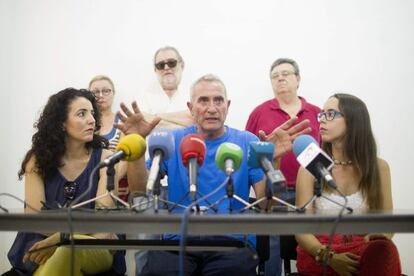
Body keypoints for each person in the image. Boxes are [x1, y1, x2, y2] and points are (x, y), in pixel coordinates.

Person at [115, 74, 311, 275]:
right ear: (191, 108)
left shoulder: (247, 141)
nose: (211, 108)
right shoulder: (173, 140)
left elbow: (265, 204)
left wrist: (273, 162)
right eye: (203, 101)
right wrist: (136, 145)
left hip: (232, 244)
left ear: (227, 105)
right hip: (178, 243)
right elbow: (140, 189)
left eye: (218, 100)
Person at [7, 88, 126, 276]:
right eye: (81, 114)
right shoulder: (37, 160)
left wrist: (62, 238)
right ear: (61, 123)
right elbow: (35, 222)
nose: (92, 120)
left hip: (95, 248)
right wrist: (66, 236)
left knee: (66, 250)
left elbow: (103, 225)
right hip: (41, 246)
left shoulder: (107, 159)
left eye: (92, 113)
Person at [295, 93, 401, 275]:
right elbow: (301, 230)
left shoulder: (379, 167)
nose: (321, 120)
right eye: (321, 114)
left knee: (385, 251)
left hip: (363, 250)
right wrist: (329, 258)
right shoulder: (310, 168)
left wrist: (381, 235)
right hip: (320, 252)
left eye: (330, 114)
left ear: (353, 120)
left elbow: (387, 224)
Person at [245, 58, 321, 275]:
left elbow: (327, 152)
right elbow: (250, 151)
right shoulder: (259, 112)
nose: (280, 78)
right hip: (273, 191)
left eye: (286, 73)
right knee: (272, 244)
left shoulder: (316, 112)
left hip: (310, 192)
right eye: (275, 76)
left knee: (312, 240)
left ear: (298, 79)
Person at [89, 75, 128, 202]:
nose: (100, 95)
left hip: (116, 186)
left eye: (106, 91)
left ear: (113, 93)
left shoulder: (122, 122)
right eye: (95, 92)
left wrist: (110, 181)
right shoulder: (85, 123)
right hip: (87, 187)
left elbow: (124, 159)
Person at [139, 46, 193, 129]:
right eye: (160, 65)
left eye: (171, 63)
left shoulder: (193, 94)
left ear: (182, 65)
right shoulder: (143, 96)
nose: (166, 68)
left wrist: (155, 116)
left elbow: (196, 120)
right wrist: (184, 124)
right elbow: (140, 122)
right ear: (155, 70)